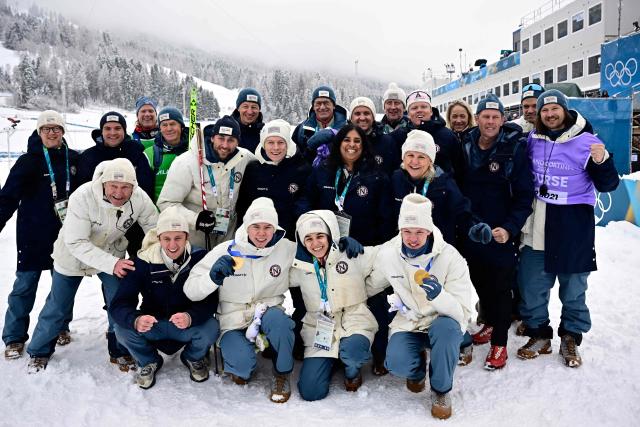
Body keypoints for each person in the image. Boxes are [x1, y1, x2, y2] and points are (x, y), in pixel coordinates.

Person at [26, 158, 159, 373]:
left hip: (111, 252)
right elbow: (77, 242)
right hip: (72, 256)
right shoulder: (83, 196)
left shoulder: (139, 198)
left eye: (125, 187)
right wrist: (112, 263)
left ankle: (120, 350)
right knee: (58, 306)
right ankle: (39, 351)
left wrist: (154, 254)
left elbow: (154, 229)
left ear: (133, 186)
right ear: (103, 183)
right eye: (113, 186)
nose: (119, 192)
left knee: (119, 301)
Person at [517, 90, 619, 368]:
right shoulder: (532, 140)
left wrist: (602, 161)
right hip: (537, 221)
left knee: (574, 287)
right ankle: (539, 333)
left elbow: (608, 185)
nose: (550, 115)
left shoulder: (587, 141)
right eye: (544, 111)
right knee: (532, 284)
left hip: (573, 222)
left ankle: (571, 336)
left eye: (554, 109)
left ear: (565, 110)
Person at [368, 194, 478, 420]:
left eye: (419, 231)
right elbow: (370, 283)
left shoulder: (451, 258)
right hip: (410, 321)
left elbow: (462, 313)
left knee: (448, 331)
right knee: (396, 364)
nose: (413, 238)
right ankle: (417, 370)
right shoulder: (389, 253)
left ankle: (440, 390)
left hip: (443, 322)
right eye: (407, 231)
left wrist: (440, 296)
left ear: (429, 230)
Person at [298, 123, 394, 375]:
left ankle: (379, 353)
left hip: (361, 252)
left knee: (374, 302)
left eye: (357, 141)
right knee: (331, 300)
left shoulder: (376, 177)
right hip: (326, 251)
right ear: (338, 144)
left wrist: (375, 250)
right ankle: (331, 351)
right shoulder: (322, 173)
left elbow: (385, 219)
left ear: (364, 147)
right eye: (347, 140)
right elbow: (305, 202)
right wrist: (311, 232)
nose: (352, 145)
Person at [184, 198, 297, 403]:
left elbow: (316, 256)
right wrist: (212, 278)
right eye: (255, 227)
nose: (261, 233)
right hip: (233, 321)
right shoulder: (226, 250)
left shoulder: (286, 249)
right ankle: (243, 357)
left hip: (268, 313)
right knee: (242, 370)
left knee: (281, 323)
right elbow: (191, 290)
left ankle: (282, 372)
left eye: (267, 227)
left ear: (275, 228)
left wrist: (339, 247)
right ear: (246, 226)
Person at [457, 95, 534, 370]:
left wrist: (510, 228)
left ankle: (499, 343)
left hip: (501, 231)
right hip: (472, 229)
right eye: (485, 116)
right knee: (479, 281)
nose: (490, 121)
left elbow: (525, 196)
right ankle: (490, 322)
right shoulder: (465, 144)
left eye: (495, 116)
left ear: (503, 119)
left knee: (501, 287)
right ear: (477, 118)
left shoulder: (514, 148)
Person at [110, 207, 219, 389]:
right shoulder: (143, 262)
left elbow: (210, 300)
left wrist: (190, 317)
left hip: (185, 325)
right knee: (121, 329)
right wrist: (136, 320)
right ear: (158, 238)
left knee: (211, 327)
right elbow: (120, 303)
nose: (172, 245)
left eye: (178, 238)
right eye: (166, 239)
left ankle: (193, 357)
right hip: (154, 324)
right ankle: (149, 361)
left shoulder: (200, 259)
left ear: (187, 237)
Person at [1, 111, 80, 359]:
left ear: (63, 132)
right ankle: (14, 337)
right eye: (46, 129)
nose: (52, 132)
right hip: (32, 235)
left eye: (57, 128)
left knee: (62, 286)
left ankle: (60, 327)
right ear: (39, 132)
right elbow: (8, 197)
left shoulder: (75, 159)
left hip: (65, 235)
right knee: (24, 286)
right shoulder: (27, 161)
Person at [235, 119, 311, 359]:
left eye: (280, 142)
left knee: (301, 294)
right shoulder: (254, 170)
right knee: (263, 292)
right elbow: (244, 207)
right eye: (271, 142)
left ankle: (299, 339)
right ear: (263, 144)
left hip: (293, 242)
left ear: (288, 144)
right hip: (260, 243)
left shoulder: (301, 168)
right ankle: (262, 336)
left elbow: (309, 199)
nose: (276, 147)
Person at [293, 210, 377, 401]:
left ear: (330, 234)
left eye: (320, 236)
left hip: (353, 321)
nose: (316, 244)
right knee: (311, 392)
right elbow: (269, 269)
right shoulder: (298, 266)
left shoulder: (349, 253)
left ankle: (352, 371)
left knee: (353, 352)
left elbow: (390, 253)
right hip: (320, 328)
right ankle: (331, 360)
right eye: (309, 238)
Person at [157, 115, 256, 250]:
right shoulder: (187, 162)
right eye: (221, 138)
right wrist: (195, 219)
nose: (225, 145)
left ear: (238, 141)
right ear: (212, 137)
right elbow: (166, 203)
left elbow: (266, 163)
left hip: (228, 235)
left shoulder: (245, 158)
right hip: (195, 238)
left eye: (231, 140)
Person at [308, 97, 398, 174]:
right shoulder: (340, 141)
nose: (362, 118)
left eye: (366, 113)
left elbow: (393, 172)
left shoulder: (387, 142)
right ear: (351, 118)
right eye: (357, 114)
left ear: (373, 117)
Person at [385, 90, 464, 176]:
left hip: (441, 187)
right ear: (408, 114)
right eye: (414, 108)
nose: (419, 110)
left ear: (431, 111)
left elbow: (460, 170)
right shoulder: (397, 137)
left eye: (423, 107)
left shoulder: (448, 136)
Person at [77, 111, 153, 197]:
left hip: (131, 207)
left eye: (117, 128)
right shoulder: (88, 157)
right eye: (107, 128)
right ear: (101, 131)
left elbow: (146, 189)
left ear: (124, 131)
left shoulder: (135, 153)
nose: (113, 133)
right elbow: (83, 192)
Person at [144, 106, 189, 202]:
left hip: (190, 212)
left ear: (181, 126)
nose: (169, 129)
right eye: (164, 125)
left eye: (173, 124)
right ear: (159, 128)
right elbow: (144, 193)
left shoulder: (193, 149)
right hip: (161, 211)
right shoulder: (150, 154)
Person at [292, 85, 348, 162]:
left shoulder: (347, 127)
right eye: (318, 103)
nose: (322, 107)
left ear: (334, 105)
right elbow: (298, 159)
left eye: (326, 103)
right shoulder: (302, 130)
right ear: (313, 107)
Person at [232, 88, 265, 153]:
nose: (250, 112)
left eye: (254, 107)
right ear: (238, 108)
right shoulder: (228, 129)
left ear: (259, 109)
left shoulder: (265, 132)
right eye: (245, 106)